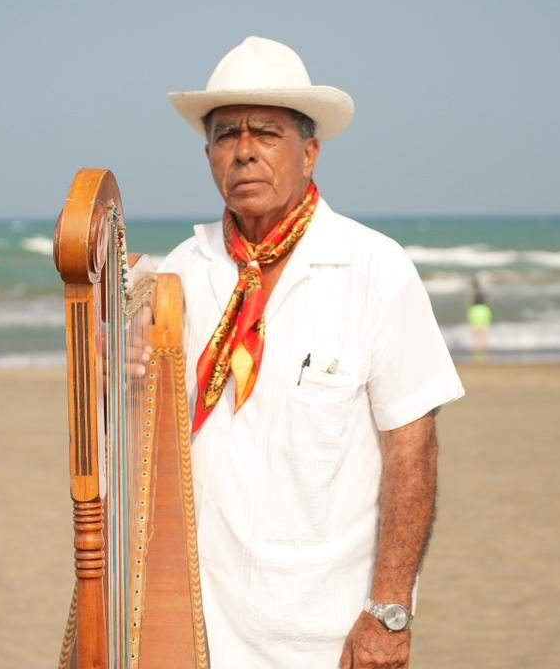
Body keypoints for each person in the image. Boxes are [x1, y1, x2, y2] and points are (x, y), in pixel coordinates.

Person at [159, 36, 465, 668]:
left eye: (266, 133)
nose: (244, 151)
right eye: (226, 134)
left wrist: (390, 611)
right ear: (208, 154)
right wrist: (127, 364)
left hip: (327, 633)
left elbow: (413, 451)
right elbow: (148, 437)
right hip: (198, 629)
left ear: (310, 150)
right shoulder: (182, 271)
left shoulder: (374, 268)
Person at [468, 276, 493, 359]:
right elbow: (487, 302)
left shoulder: (473, 293)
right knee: (484, 332)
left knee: (476, 333)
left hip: (475, 310)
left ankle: (477, 352)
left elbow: (470, 303)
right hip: (484, 310)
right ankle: (484, 352)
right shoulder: (483, 293)